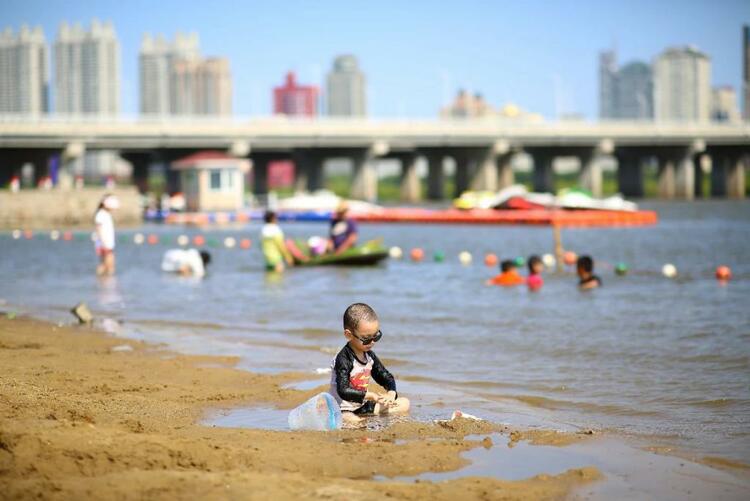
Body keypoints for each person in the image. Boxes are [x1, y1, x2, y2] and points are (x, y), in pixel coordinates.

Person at [329, 303, 410, 425]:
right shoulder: (344, 359)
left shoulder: (369, 356)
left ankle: (362, 416)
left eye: (376, 336)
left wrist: (391, 393)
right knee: (353, 421)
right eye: (366, 338)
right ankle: (350, 419)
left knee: (404, 403)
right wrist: (371, 396)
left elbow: (385, 376)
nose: (372, 342)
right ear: (348, 335)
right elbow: (343, 390)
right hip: (341, 408)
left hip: (362, 406)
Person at [94, 194, 119, 276]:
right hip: (104, 243)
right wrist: (102, 242)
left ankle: (103, 284)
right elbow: (98, 229)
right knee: (109, 265)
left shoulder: (106, 214)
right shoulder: (101, 214)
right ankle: (108, 285)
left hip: (107, 243)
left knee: (105, 264)